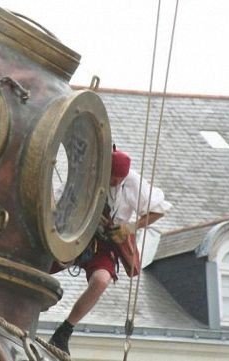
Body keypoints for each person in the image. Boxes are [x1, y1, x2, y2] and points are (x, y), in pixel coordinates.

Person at [48, 146, 172, 355]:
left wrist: (130, 227)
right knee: (40, 263)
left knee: (101, 280)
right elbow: (57, 205)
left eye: (118, 181)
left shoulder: (132, 181)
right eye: (112, 178)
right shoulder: (89, 175)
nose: (114, 183)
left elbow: (159, 209)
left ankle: (65, 331)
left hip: (106, 240)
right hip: (77, 232)